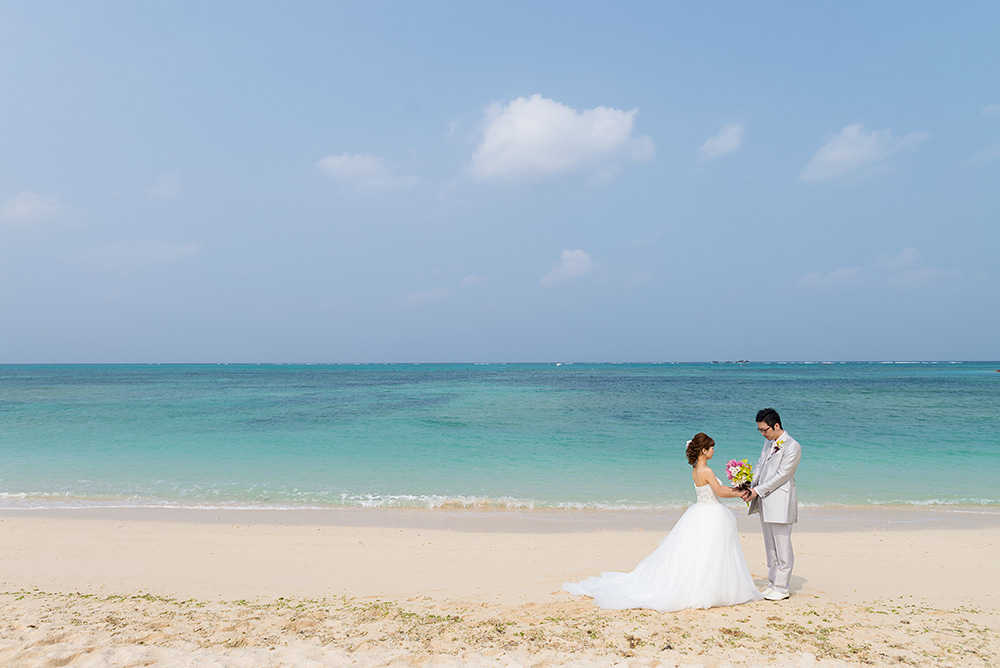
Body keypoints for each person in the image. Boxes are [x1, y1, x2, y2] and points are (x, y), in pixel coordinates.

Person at [563, 433, 762, 611]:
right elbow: (719, 492)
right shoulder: (707, 471)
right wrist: (739, 491)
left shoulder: (696, 470)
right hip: (711, 513)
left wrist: (736, 488)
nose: (713, 451)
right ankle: (711, 588)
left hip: (700, 511)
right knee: (712, 551)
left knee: (699, 552)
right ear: (703, 450)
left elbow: (715, 490)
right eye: (711, 448)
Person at [741, 408, 802, 601]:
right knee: (770, 545)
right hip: (764, 500)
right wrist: (749, 485)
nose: (763, 434)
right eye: (760, 430)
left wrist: (757, 491)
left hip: (780, 500)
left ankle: (782, 587)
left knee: (782, 545)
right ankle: (772, 582)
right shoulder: (768, 443)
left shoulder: (792, 446)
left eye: (764, 429)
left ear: (776, 426)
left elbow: (782, 476)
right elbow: (760, 464)